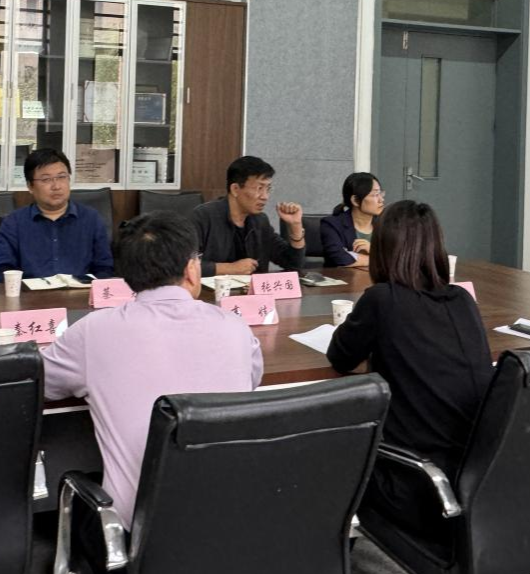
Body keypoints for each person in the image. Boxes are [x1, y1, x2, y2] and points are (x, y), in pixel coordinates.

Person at [41, 211, 263, 528]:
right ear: (191, 269)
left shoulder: (94, 332)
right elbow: (251, 381)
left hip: (141, 537)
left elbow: (38, 383)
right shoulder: (235, 327)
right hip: (236, 523)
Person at [327, 200, 492, 529]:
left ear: (383, 249)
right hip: (476, 481)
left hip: (414, 484)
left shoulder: (382, 299)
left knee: (326, 442)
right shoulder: (462, 299)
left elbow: (341, 357)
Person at [0, 148, 113, 283]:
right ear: (30, 186)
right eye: (46, 179)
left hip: (80, 294)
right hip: (29, 295)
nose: (56, 186)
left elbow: (105, 269)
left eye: (62, 177)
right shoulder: (13, 223)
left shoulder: (91, 219)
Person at [192, 155, 305, 277]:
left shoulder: (260, 221)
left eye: (268, 189)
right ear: (235, 189)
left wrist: (296, 226)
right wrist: (229, 268)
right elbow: (184, 264)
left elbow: (293, 264)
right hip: (211, 289)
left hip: (252, 289)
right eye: (259, 188)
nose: (265, 196)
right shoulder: (204, 217)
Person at [320, 172, 384, 268]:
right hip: (344, 277)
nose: (381, 199)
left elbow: (398, 257)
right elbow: (338, 258)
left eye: (380, 193)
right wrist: (380, 260)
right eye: (375, 194)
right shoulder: (331, 225)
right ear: (355, 200)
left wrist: (373, 251)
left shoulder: (386, 224)